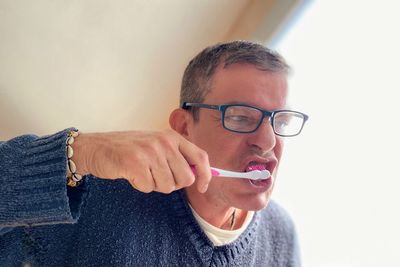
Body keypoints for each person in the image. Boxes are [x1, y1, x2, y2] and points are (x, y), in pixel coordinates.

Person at [0, 41, 308, 266]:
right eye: (241, 117)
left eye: (281, 121)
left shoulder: (282, 236)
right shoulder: (94, 196)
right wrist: (82, 152)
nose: (268, 141)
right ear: (184, 126)